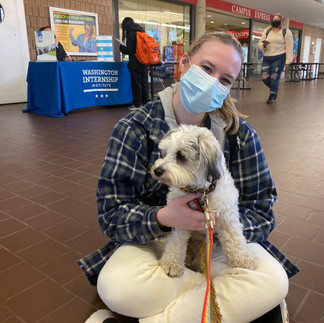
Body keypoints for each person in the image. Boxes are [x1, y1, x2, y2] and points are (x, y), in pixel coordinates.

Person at [80, 31, 299, 323]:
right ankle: (232, 303)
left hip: (220, 241)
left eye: (225, 79)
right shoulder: (133, 128)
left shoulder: (240, 135)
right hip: (155, 238)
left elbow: (261, 212)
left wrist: (221, 226)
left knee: (276, 281)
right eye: (206, 69)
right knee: (115, 287)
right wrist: (163, 217)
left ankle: (156, 315)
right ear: (183, 63)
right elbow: (111, 214)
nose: (212, 82)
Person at [258, 13, 293, 104]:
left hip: (279, 57)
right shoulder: (267, 31)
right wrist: (263, 45)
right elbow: (259, 44)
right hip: (267, 58)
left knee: (274, 77)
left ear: (281, 21)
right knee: (264, 77)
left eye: (277, 19)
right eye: (274, 19)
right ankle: (274, 88)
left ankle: (272, 95)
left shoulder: (285, 31)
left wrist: (289, 60)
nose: (275, 21)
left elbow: (289, 46)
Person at [118, 17, 149, 110]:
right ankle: (145, 103)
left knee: (136, 84)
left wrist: (121, 47)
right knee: (144, 83)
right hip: (144, 61)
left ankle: (137, 104)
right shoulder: (142, 32)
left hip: (135, 62)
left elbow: (129, 50)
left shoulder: (131, 33)